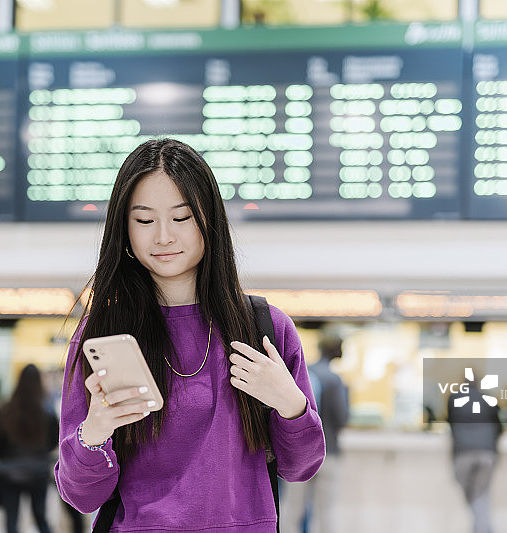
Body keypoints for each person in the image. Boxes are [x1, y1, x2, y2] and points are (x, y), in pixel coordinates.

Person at [55, 138, 325, 532]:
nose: (163, 236)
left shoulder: (264, 328)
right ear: (124, 231)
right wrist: (94, 432)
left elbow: (300, 468)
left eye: (181, 218)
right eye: (145, 221)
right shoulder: (102, 334)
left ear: (208, 222)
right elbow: (81, 496)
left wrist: (290, 404)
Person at [280, 331, 349, 533]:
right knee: (325, 512)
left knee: (292, 509)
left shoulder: (304, 372)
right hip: (329, 453)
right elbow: (342, 417)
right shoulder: (335, 380)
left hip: (300, 452)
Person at [0, 364, 58, 533]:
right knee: (41, 517)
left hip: (10, 470)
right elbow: (55, 440)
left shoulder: (6, 410)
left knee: (11, 520)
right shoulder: (47, 411)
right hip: (38, 470)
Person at [447, 378, 503, 533]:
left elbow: (450, 422)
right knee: (480, 496)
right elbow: (498, 425)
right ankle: (484, 529)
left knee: (474, 496)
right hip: (486, 453)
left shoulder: (454, 399)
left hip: (463, 453)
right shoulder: (488, 398)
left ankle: (483, 529)